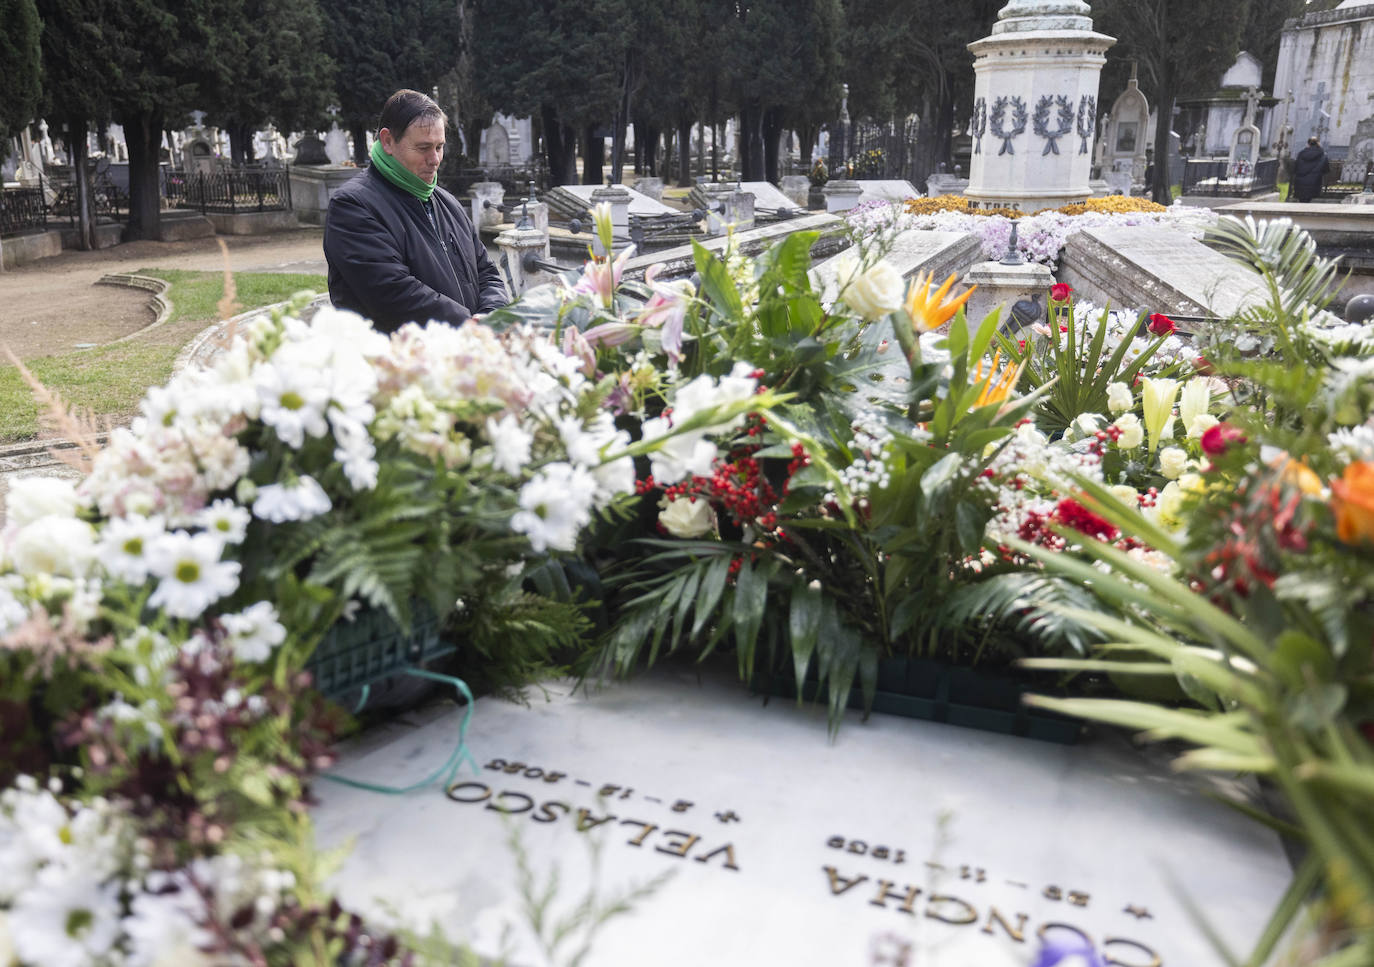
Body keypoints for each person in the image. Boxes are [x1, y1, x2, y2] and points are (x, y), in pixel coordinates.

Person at [324, 89, 508, 332]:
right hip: (399, 364)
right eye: (423, 148)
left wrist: (491, 315)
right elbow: (391, 293)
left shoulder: (446, 202)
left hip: (462, 354)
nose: (435, 159)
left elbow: (486, 271)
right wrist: (469, 324)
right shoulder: (353, 206)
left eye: (439, 147)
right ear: (388, 141)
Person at [1291, 136, 1331, 203]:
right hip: (1314, 182)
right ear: (1318, 143)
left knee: (1302, 201)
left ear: (1308, 144)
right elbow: (1326, 169)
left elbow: (1296, 167)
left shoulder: (1301, 154)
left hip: (1300, 182)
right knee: (1308, 201)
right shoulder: (1323, 155)